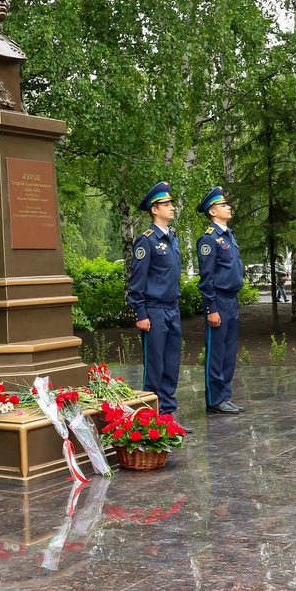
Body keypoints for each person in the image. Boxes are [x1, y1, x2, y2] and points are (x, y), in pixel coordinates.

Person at [125, 182, 186, 427]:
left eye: (171, 203)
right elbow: (137, 281)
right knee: (155, 366)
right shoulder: (147, 241)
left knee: (172, 363)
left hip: (172, 309)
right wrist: (141, 312)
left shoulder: (173, 239)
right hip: (154, 311)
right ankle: (152, 419)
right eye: (166, 204)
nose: (172, 207)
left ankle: (168, 417)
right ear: (154, 209)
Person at [196, 186, 245, 415]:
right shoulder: (209, 239)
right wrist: (211, 308)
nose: (228, 207)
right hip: (219, 300)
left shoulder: (229, 235)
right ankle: (215, 399)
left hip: (232, 300)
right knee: (216, 352)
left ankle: (225, 396)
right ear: (213, 212)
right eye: (223, 205)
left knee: (228, 352)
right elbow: (207, 278)